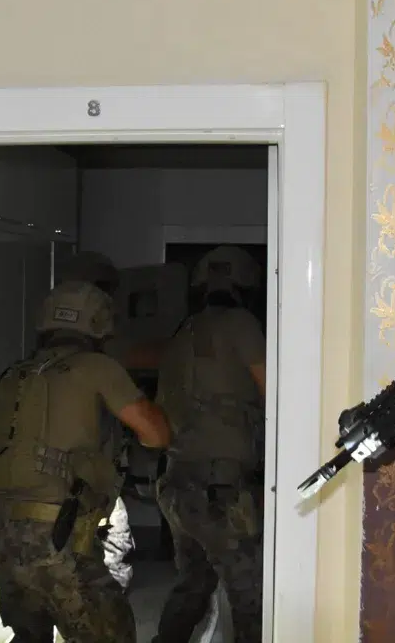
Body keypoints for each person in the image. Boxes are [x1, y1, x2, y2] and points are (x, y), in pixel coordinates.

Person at [0, 280, 171, 642]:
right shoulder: (98, 367)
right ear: (100, 324)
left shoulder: (15, 373)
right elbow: (156, 434)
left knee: (30, 634)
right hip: (54, 538)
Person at [152, 245, 267, 643]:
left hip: (178, 481)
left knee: (194, 582)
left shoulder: (183, 332)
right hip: (220, 485)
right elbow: (274, 391)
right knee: (250, 591)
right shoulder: (241, 324)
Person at [56, 249, 138, 592]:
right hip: (86, 482)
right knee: (111, 550)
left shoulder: (37, 363)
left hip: (53, 482)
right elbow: (153, 431)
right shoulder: (100, 362)